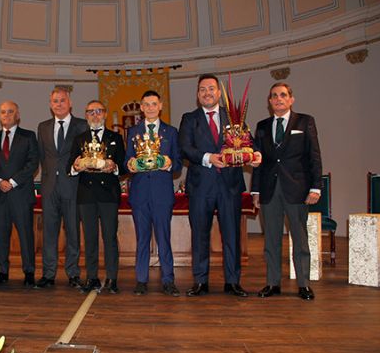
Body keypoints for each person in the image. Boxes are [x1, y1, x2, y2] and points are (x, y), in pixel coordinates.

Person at [179, 73, 261, 298]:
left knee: (232, 235)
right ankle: (200, 282)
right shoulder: (189, 118)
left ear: (219, 93)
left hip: (229, 186)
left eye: (211, 89)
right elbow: (184, 147)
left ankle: (233, 282)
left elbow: (249, 143)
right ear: (198, 95)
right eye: (203, 89)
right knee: (200, 235)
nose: (207, 93)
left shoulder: (233, 117)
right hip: (200, 186)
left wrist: (254, 154)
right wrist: (207, 157)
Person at [251, 82, 322, 300]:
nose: (278, 99)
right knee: (271, 239)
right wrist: (255, 192)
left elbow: (314, 156)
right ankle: (273, 283)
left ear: (291, 99)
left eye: (283, 95)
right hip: (269, 190)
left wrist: (316, 187)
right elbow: (258, 161)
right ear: (269, 101)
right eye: (274, 96)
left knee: (300, 239)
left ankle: (303, 284)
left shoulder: (305, 121)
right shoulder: (262, 126)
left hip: (297, 189)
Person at [125, 90, 182, 297]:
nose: (150, 107)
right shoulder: (133, 132)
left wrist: (168, 164)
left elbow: (178, 163)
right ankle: (141, 280)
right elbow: (126, 161)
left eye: (153, 104)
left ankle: (168, 280)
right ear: (141, 107)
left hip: (162, 194)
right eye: (146, 104)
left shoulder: (171, 132)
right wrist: (130, 165)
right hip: (140, 193)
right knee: (142, 238)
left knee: (164, 237)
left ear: (160, 106)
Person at [68, 100, 126, 294]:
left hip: (108, 194)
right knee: (90, 238)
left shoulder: (115, 138)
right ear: (86, 115)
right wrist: (76, 167)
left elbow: (124, 167)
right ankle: (91, 277)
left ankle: (112, 278)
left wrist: (115, 167)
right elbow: (70, 166)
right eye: (90, 112)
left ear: (105, 114)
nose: (95, 115)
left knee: (110, 237)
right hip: (86, 195)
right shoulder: (79, 138)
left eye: (98, 111)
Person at [35, 87, 89, 288]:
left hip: (73, 186)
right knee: (49, 232)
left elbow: (85, 155)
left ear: (70, 103)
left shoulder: (82, 126)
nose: (58, 104)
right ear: (50, 104)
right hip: (49, 188)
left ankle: (73, 273)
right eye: (55, 101)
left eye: (62, 100)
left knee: (73, 231)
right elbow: (43, 156)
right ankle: (48, 274)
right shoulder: (42, 127)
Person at [0, 101, 39, 287]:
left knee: (26, 235)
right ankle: (2, 271)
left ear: (17, 115)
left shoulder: (28, 136)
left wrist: (13, 181)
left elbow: (33, 163)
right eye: (3, 112)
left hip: (21, 194)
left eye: (10, 112)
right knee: (0, 235)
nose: (6, 115)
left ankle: (29, 272)